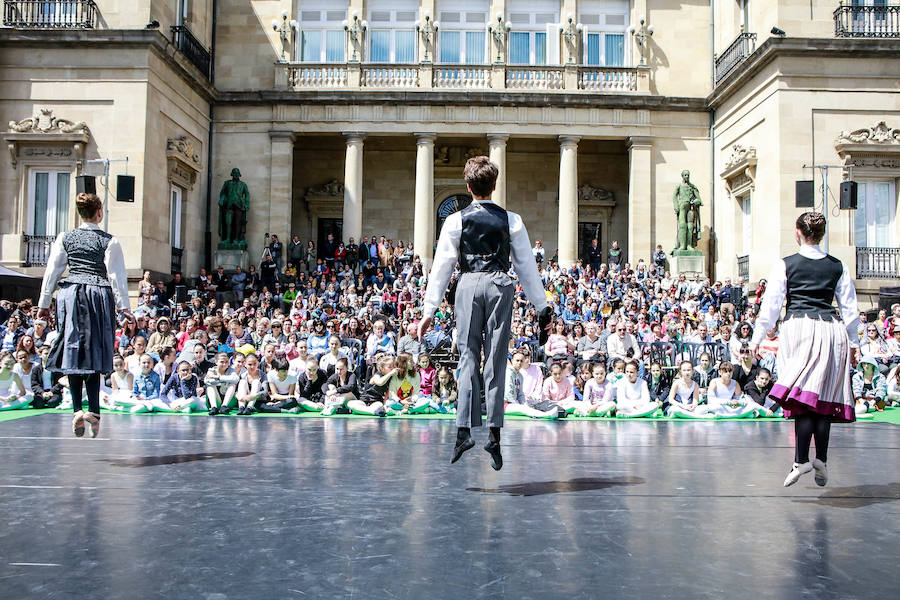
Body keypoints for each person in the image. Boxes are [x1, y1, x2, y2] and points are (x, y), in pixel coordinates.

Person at [419, 156, 551, 470]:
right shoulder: (512, 220)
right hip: (500, 284)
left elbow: (442, 268)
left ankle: (463, 430)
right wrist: (541, 305)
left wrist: (429, 309)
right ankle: (493, 434)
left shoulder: (455, 220)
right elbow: (526, 266)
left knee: (467, 356)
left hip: (466, 284)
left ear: (468, 186)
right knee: (495, 357)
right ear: (494, 186)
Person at [751, 212, 860, 488]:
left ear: (797, 232)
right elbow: (849, 309)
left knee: (803, 400)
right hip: (831, 329)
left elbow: (771, 306)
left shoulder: (786, 264)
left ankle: (801, 460)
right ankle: (820, 458)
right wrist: (855, 343)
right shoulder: (838, 266)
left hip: (799, 328)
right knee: (822, 401)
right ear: (821, 234)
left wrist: (757, 338)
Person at [37, 192, 134, 437]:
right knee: (94, 349)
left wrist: (44, 302)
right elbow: (116, 277)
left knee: (73, 349)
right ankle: (94, 410)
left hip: (70, 293)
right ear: (99, 211)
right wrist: (124, 308)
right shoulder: (109, 240)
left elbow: (52, 272)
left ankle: (77, 409)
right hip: (98, 294)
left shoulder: (65, 237)